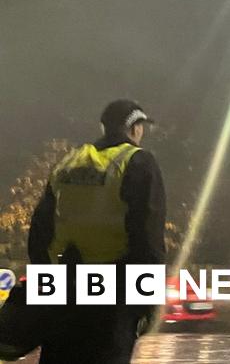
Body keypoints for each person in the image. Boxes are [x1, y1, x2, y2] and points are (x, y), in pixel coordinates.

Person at [28, 99, 166, 364]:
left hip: (64, 288)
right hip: (113, 294)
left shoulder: (70, 161)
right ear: (134, 127)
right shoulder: (138, 162)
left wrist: (46, 285)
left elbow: (39, 232)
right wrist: (148, 298)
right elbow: (147, 237)